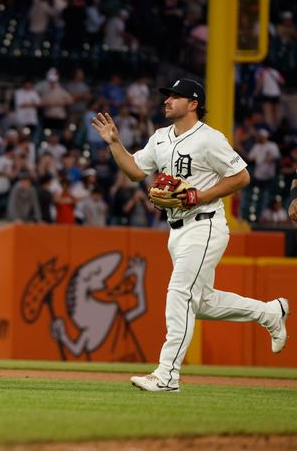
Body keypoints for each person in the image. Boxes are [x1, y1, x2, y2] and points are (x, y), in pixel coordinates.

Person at [92, 78, 289, 392]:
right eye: (167, 96)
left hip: (206, 224)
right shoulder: (160, 138)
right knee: (202, 303)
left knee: (179, 293)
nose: (168, 100)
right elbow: (134, 172)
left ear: (193, 103)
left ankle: (167, 375)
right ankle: (270, 312)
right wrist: (114, 143)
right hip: (177, 231)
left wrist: (202, 195)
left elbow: (241, 176)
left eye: (175, 96)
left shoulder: (209, 139)